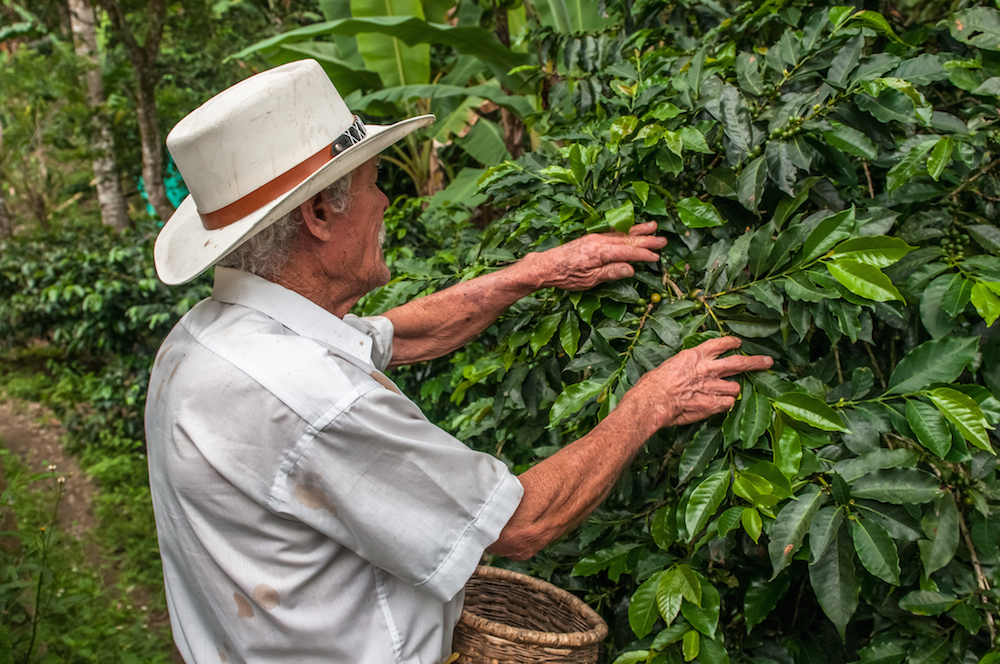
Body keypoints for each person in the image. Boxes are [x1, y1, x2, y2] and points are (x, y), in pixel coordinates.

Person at [145, 59, 773, 664]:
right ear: (317, 216)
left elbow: (397, 334)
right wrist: (652, 401)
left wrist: (527, 276)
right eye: (372, 185)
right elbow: (521, 523)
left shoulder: (207, 337)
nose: (386, 201)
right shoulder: (313, 398)